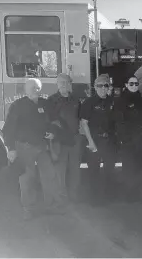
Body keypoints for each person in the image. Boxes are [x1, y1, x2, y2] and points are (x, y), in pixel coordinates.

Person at [2, 78, 65, 220]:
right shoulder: (18, 105)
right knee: (27, 178)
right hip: (25, 148)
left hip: (43, 147)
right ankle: (29, 209)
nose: (34, 90)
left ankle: (51, 206)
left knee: (49, 176)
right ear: (25, 89)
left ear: (40, 89)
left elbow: (54, 121)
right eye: (31, 87)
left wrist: (53, 133)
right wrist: (11, 148)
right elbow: (8, 129)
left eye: (37, 87)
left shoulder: (45, 103)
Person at [79, 74, 116, 205]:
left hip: (109, 141)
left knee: (109, 169)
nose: (103, 88)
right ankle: (94, 199)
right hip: (94, 141)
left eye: (106, 85)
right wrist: (90, 142)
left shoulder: (112, 101)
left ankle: (108, 196)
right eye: (100, 85)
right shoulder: (88, 102)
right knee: (93, 170)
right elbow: (84, 123)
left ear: (109, 87)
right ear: (95, 87)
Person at [47, 73, 84, 203]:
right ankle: (61, 198)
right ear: (57, 84)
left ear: (70, 84)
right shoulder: (51, 100)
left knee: (75, 169)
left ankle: (74, 196)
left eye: (66, 82)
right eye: (61, 82)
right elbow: (49, 121)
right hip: (60, 140)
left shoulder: (76, 100)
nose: (64, 85)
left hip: (74, 139)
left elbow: (81, 119)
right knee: (59, 170)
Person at [114, 75, 142, 201]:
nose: (134, 86)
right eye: (131, 84)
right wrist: (123, 138)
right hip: (127, 140)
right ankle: (128, 194)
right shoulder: (120, 101)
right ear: (126, 85)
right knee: (128, 167)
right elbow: (118, 122)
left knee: (138, 166)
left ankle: (136, 193)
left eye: (136, 84)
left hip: (140, 139)